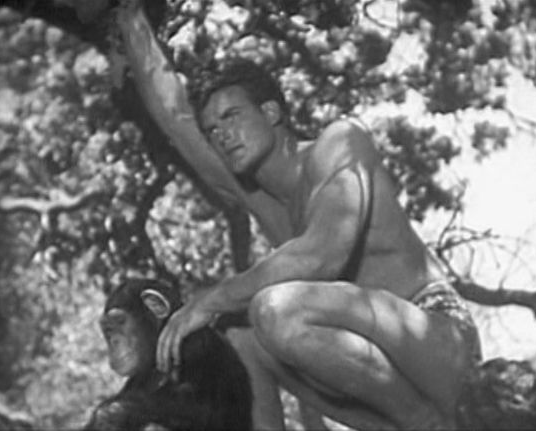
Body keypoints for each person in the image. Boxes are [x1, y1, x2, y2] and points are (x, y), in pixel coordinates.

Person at [112, 1, 481, 429]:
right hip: (378, 373)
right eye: (213, 129)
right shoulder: (259, 195)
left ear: (271, 113)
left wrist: (210, 299)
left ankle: (426, 424)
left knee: (274, 308)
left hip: (435, 341)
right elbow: (177, 120)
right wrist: (128, 16)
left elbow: (323, 256)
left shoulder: (340, 144)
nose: (222, 134)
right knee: (237, 335)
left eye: (232, 116)